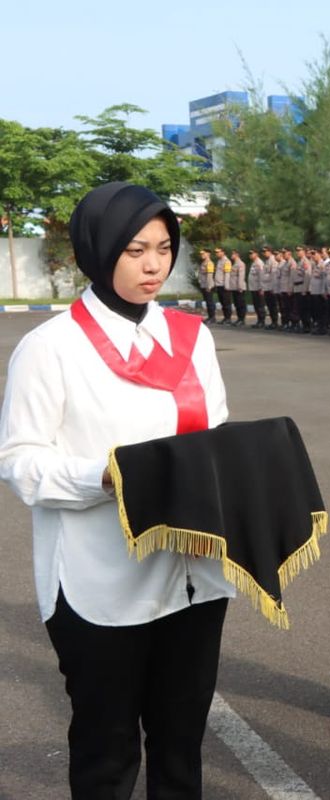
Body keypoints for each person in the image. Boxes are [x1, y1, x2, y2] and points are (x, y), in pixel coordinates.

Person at [0, 182, 236, 799]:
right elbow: (21, 462)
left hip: (192, 576)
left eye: (163, 248)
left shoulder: (193, 337)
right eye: (135, 250)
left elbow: (213, 436)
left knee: (181, 748)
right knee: (106, 752)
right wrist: (103, 476)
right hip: (98, 582)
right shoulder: (50, 348)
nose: (154, 264)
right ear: (98, 249)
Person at [197, 248, 217, 324]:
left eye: (203, 253)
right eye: (201, 254)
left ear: (208, 254)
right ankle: (210, 316)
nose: (202, 255)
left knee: (210, 302)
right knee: (208, 302)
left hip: (208, 286)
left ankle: (212, 317)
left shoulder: (209, 263)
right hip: (204, 285)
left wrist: (208, 286)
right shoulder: (203, 263)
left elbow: (209, 275)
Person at [214, 247, 233, 324]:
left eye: (218, 252)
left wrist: (226, 285)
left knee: (226, 303)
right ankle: (225, 317)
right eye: (216, 252)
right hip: (219, 285)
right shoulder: (219, 261)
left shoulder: (227, 261)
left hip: (224, 285)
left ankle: (228, 318)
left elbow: (227, 274)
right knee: (222, 303)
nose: (217, 254)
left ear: (223, 252)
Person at [228, 250, 248, 327]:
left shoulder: (240, 264)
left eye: (233, 254)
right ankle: (239, 318)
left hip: (239, 288)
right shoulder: (235, 264)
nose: (231, 255)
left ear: (237, 255)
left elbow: (241, 276)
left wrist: (240, 287)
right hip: (234, 287)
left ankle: (242, 319)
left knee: (240, 304)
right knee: (237, 304)